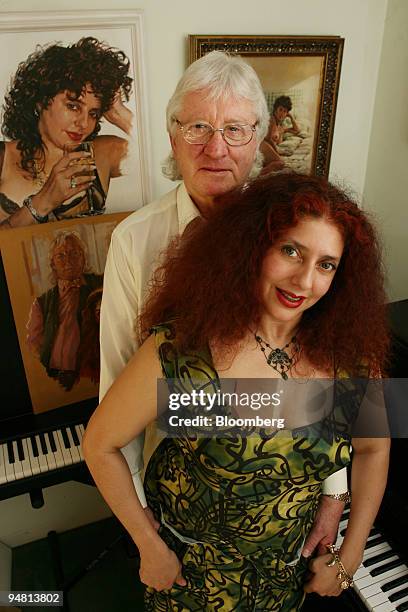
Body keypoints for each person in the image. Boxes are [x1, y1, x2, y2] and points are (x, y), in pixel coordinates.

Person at [84, 172, 390, 610]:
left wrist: (352, 552)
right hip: (189, 578)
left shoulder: (355, 360)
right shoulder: (182, 351)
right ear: (253, 248)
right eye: (291, 251)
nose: (305, 281)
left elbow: (374, 450)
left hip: (284, 581)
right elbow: (100, 444)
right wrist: (147, 544)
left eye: (326, 264)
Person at [99, 50, 350, 559]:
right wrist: (142, 528)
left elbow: (325, 366)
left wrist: (333, 492)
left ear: (258, 139)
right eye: (197, 127)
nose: (216, 147)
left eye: (235, 129)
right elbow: (116, 379)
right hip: (184, 498)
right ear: (172, 137)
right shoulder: (134, 240)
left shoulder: (294, 233)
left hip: (285, 490)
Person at [0, 36, 133, 229]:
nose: (84, 123)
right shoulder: (3, 159)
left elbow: (167, 159)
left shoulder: (103, 153)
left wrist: (120, 113)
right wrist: (43, 202)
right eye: (73, 106)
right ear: (40, 100)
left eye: (94, 113)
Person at [26, 231, 103, 390]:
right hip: (58, 374)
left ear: (83, 258)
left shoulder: (101, 284)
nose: (68, 260)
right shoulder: (42, 302)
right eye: (61, 256)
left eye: (74, 253)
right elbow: (34, 341)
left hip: (97, 368)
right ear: (52, 264)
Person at [261, 95, 301, 173]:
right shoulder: (271, 120)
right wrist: (277, 152)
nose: (282, 113)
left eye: (285, 111)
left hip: (270, 148)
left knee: (280, 164)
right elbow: (267, 139)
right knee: (280, 163)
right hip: (263, 145)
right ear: (276, 109)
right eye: (280, 110)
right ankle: (257, 175)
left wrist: (291, 118)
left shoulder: (281, 128)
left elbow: (297, 131)